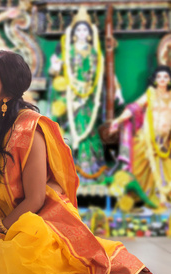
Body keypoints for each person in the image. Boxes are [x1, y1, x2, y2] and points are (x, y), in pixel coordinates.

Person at [0, 50, 157, 274]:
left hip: (37, 221)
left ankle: (113, 262)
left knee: (7, 265)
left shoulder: (29, 129)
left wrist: (0, 230)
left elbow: (35, 199)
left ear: (8, 94)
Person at [48, 7, 111, 184]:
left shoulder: (94, 53)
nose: (82, 33)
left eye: (85, 30)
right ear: (74, 33)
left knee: (88, 130)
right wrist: (54, 66)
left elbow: (100, 76)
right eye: (79, 30)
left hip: (89, 98)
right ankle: (70, 170)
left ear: (90, 33)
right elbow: (55, 72)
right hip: (70, 96)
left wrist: (93, 94)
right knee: (71, 131)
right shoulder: (67, 51)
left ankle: (90, 169)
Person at [109, 66, 171, 208]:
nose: (162, 80)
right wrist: (117, 121)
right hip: (146, 141)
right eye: (159, 77)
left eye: (165, 77)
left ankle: (162, 202)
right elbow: (133, 108)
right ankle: (144, 202)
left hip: (166, 143)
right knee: (140, 172)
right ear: (155, 80)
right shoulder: (150, 94)